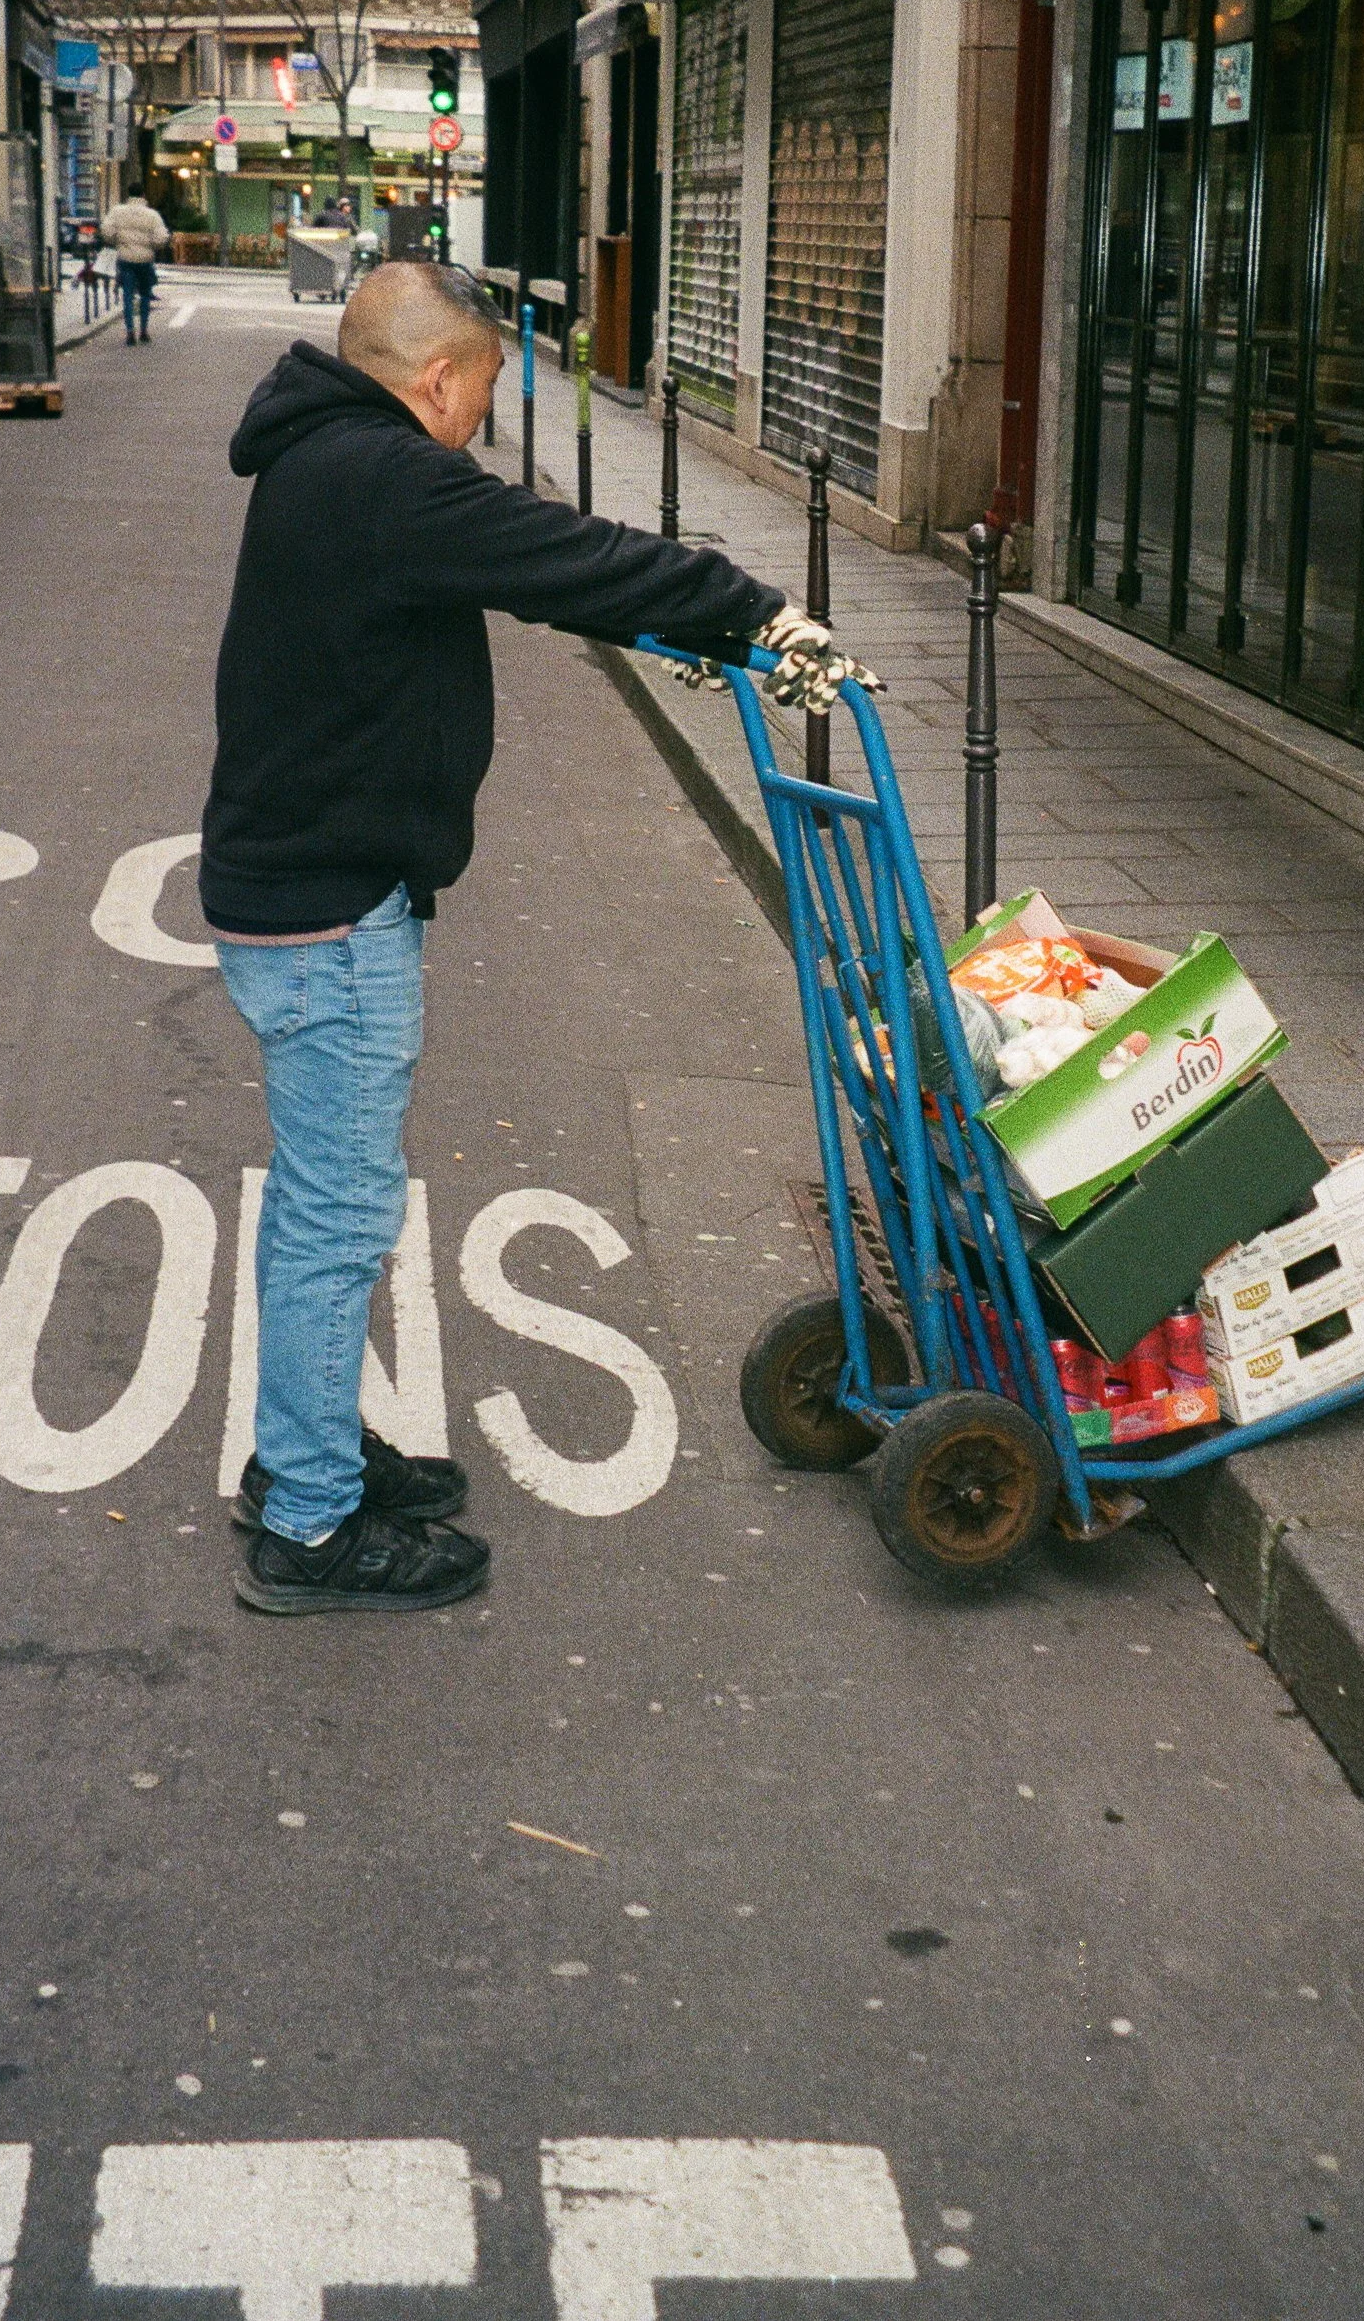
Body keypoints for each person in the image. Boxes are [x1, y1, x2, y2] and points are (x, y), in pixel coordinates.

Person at [202, 261, 873, 1617]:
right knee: (337, 1216)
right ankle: (312, 1528)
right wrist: (744, 608)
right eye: (486, 391)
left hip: (303, 890)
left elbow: (531, 576)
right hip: (326, 913)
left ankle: (304, 1459)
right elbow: (552, 548)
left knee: (318, 1206)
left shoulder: (329, 455)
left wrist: (670, 623)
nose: (478, 420)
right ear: (440, 378)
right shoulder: (388, 477)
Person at [103, 190, 166, 344]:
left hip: (125, 259)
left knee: (127, 295)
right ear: (144, 195)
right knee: (145, 294)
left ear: (129, 195)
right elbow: (161, 237)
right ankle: (144, 330)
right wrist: (152, 247)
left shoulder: (117, 212)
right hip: (145, 260)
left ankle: (130, 331)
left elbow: (106, 231)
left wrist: (117, 242)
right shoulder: (152, 215)